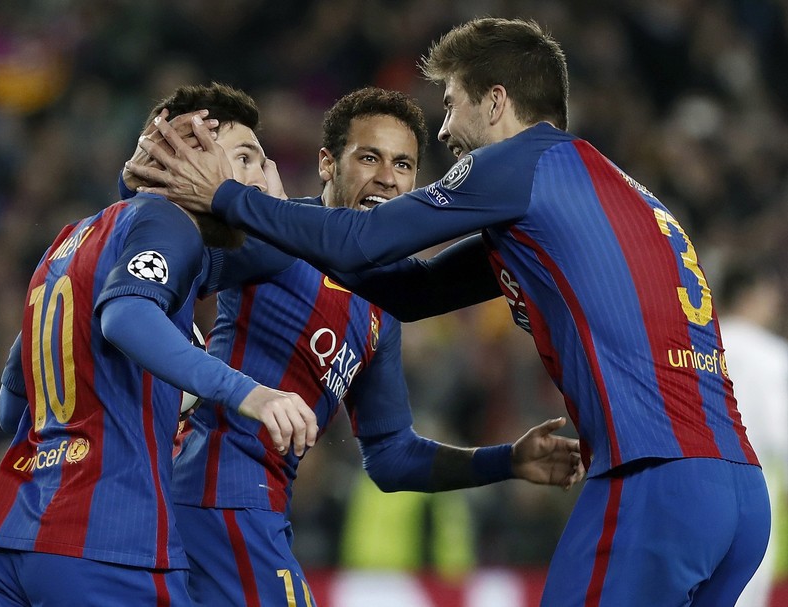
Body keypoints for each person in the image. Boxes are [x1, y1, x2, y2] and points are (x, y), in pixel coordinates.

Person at [128, 18, 771, 607]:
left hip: (656, 478)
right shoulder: (593, 192)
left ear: (494, 102)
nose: (443, 131)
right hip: (738, 495)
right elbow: (410, 289)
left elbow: (357, 243)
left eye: (450, 104)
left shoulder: (522, 163)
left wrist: (224, 193)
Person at [126, 86, 584, 607]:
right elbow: (169, 260)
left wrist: (507, 460)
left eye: (404, 165)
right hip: (216, 500)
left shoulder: (383, 310)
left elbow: (391, 456)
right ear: (327, 163)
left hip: (260, 514)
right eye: (369, 157)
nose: (387, 177)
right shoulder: (273, 235)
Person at [0, 83, 318, 607]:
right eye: (245, 158)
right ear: (187, 154)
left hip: (7, 540)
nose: (258, 182)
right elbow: (127, 318)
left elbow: (10, 404)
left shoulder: (68, 242)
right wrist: (252, 394)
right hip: (107, 546)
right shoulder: (167, 221)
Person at [719, 261, 788, 607]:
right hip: (755, 495)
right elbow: (782, 437)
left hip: (696, 483)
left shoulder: (698, 346)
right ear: (748, 296)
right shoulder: (774, 356)